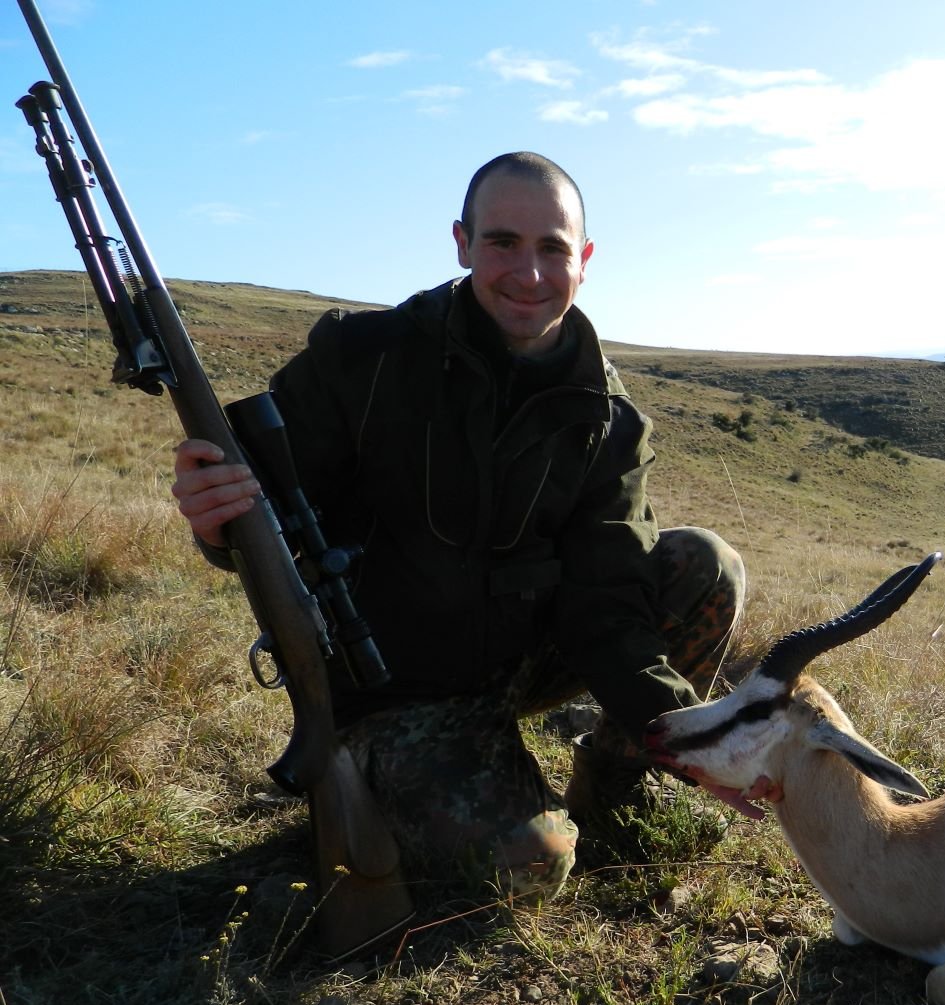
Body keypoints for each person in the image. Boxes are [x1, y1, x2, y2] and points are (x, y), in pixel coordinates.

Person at [171, 151, 745, 904]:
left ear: (586, 260)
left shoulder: (612, 419)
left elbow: (608, 604)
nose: (529, 274)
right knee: (532, 864)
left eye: (553, 249)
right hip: (396, 688)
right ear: (462, 242)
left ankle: (612, 789)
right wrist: (216, 523)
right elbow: (263, 523)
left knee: (705, 564)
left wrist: (694, 740)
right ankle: (385, 779)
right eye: (502, 243)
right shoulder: (361, 358)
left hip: (522, 657)